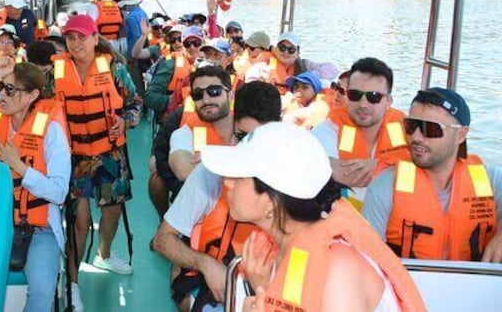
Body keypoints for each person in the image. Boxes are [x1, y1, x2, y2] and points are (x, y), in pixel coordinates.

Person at [203, 122, 426, 312]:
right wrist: (261, 286)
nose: (227, 183)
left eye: (238, 177)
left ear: (271, 200)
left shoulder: (338, 269)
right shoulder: (279, 251)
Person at [152, 82, 282, 312]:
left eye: (260, 141)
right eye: (243, 138)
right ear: (234, 128)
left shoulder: (296, 183)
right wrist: (206, 264)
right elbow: (162, 240)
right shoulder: (211, 173)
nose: (249, 151)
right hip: (217, 280)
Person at [53, 15, 141, 311]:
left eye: (81, 37)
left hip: (109, 154)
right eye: (70, 37)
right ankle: (73, 283)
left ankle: (104, 255)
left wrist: (124, 121)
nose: (75, 43)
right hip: (73, 156)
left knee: (111, 212)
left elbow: (135, 105)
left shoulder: (114, 68)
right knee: (78, 222)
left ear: (94, 38)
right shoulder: (55, 72)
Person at [0, 62, 70, 311]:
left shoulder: (52, 131)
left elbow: (59, 192)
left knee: (41, 293)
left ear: (32, 95)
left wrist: (20, 167)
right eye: (1, 89)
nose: (1, 95)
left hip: (36, 228)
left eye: (10, 90)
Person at [363, 88, 502, 262]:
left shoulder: (491, 181)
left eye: (430, 129)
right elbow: (367, 259)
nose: (416, 137)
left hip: (475, 285)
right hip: (409, 286)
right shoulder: (385, 186)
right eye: (411, 126)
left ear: (461, 134)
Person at [312, 57, 411, 209]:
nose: (363, 104)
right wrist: (396, 167)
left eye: (373, 97)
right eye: (355, 95)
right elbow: (323, 170)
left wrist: (378, 166)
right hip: (345, 223)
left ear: (388, 102)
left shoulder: (408, 131)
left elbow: (426, 175)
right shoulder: (327, 130)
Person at [168, 65, 233, 183]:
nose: (206, 100)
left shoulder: (250, 128)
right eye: (198, 94)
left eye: (214, 91)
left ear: (231, 95)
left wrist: (215, 158)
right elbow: (183, 171)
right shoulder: (184, 133)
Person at [143, 26, 203, 117]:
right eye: (187, 43)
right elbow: (150, 97)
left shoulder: (211, 67)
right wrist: (175, 99)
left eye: (196, 43)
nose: (192, 47)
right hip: (176, 119)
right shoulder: (170, 65)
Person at [266, 32, 338, 94]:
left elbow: (332, 69)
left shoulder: (304, 65)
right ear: (276, 49)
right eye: (282, 48)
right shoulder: (264, 65)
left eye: (291, 50)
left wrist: (307, 77)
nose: (286, 52)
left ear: (298, 53)